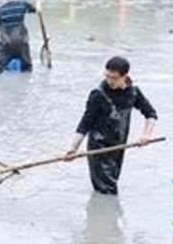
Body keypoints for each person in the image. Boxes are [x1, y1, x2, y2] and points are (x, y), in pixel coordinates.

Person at [65, 56, 157, 195]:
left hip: (118, 147)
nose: (109, 81)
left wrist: (146, 135)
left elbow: (151, 114)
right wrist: (73, 148)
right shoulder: (98, 94)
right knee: (108, 191)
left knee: (109, 185)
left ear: (125, 76)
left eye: (114, 78)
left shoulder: (133, 93)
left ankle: (101, 215)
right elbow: (85, 123)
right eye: (107, 76)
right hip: (98, 149)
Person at [0, 0, 37, 74]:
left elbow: (0, 25)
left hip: (6, 41)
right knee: (27, 68)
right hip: (22, 40)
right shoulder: (22, 5)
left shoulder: (1, 9)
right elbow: (35, 10)